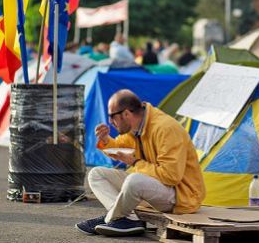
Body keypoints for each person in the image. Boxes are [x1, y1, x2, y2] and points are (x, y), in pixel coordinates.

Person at [75, 89, 205, 236]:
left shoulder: (165, 128)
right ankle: (125, 218)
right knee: (96, 174)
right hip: (154, 189)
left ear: (126, 114)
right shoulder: (136, 126)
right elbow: (120, 148)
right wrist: (106, 140)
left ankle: (111, 218)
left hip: (181, 195)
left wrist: (136, 162)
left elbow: (171, 176)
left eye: (112, 116)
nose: (110, 121)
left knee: (134, 180)